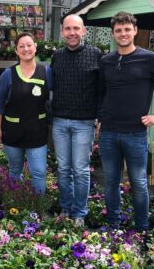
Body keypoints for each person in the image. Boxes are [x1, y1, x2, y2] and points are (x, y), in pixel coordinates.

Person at [97, 11, 154, 231]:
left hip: (135, 133)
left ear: (135, 30)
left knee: (139, 183)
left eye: (127, 29)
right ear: (113, 34)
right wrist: (100, 118)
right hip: (108, 133)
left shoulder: (150, 58)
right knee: (110, 182)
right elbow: (100, 92)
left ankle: (141, 227)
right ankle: (113, 224)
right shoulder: (106, 61)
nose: (123, 34)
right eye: (118, 30)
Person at [50, 14, 102, 227]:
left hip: (84, 122)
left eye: (76, 28)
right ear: (62, 31)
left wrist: (100, 117)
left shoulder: (96, 54)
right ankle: (65, 208)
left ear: (84, 31)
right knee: (63, 169)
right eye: (68, 29)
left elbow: (102, 89)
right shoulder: (57, 56)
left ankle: (79, 213)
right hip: (60, 121)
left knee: (80, 170)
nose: (72, 33)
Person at [0, 33, 53, 194]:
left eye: (29, 45)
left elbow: (56, 98)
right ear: (16, 51)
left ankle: (37, 212)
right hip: (13, 131)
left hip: (37, 131)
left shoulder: (46, 72)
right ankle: (15, 206)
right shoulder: (8, 74)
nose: (26, 49)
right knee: (15, 170)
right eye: (22, 46)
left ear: (35, 47)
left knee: (39, 173)